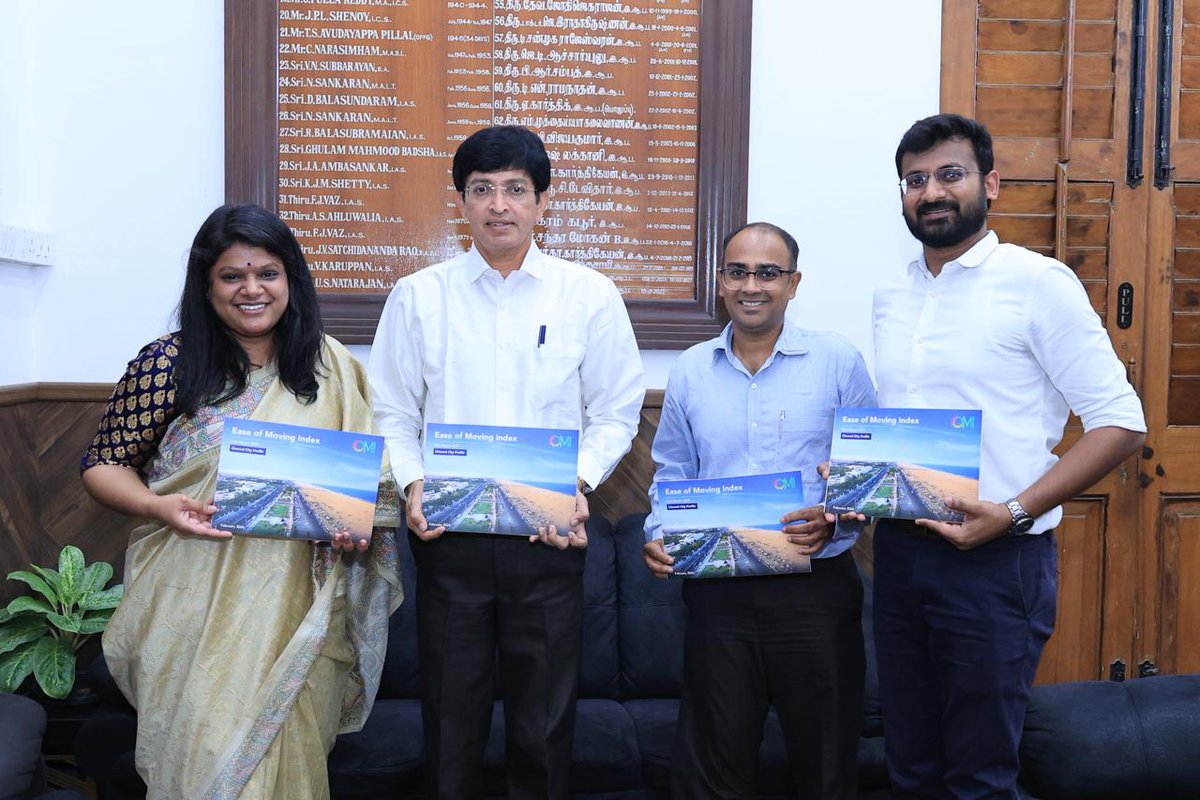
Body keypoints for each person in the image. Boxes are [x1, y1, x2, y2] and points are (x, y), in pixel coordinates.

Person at [80, 204, 403, 800]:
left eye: (268, 274)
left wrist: (355, 528)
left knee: (288, 757)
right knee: (204, 757)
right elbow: (103, 465)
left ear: (292, 280)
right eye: (232, 276)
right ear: (207, 285)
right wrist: (159, 509)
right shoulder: (167, 364)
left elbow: (372, 490)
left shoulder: (330, 366)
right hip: (190, 600)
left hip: (300, 610)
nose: (251, 289)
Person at [873, 113, 1147, 799]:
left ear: (989, 184)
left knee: (982, 776)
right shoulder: (892, 295)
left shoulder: (1039, 283)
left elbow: (1121, 422)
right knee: (908, 766)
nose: (930, 191)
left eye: (949, 174)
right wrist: (858, 484)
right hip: (901, 554)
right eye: (914, 180)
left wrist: (1014, 513)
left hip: (996, 562)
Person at [368, 125, 644, 799]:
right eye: (482, 190)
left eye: (516, 190)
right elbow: (392, 412)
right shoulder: (418, 295)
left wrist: (576, 484)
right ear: (460, 203)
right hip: (448, 540)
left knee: (542, 728)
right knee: (449, 722)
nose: (499, 205)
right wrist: (413, 486)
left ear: (543, 202)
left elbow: (616, 410)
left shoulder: (588, 295)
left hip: (547, 537)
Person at [642, 222, 877, 799]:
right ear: (721, 281)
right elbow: (672, 471)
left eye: (768, 273)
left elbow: (869, 478)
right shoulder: (693, 368)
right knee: (712, 771)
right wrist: (658, 532)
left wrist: (837, 513)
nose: (752, 285)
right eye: (738, 271)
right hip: (719, 597)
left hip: (815, 593)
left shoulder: (837, 361)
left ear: (793, 283)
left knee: (825, 766)